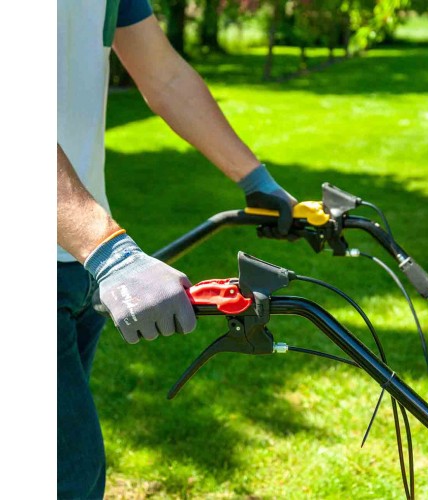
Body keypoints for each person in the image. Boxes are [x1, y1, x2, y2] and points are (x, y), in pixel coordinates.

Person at [57, 1, 297, 498]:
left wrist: (255, 179)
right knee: (71, 476)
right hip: (78, 250)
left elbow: (163, 74)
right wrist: (110, 252)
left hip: (75, 263)